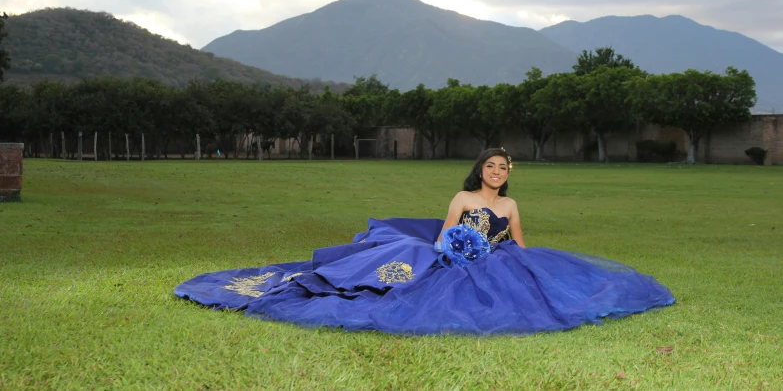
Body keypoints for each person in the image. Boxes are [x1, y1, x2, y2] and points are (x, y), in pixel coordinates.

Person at [175, 148, 675, 335]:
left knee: (539, 285)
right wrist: (460, 249)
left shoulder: (512, 207)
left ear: (509, 176)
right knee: (404, 288)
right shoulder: (462, 196)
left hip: (500, 259)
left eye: (505, 168)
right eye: (492, 167)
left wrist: (527, 265)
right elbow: (444, 235)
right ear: (481, 170)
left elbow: (519, 244)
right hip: (455, 256)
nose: (498, 173)